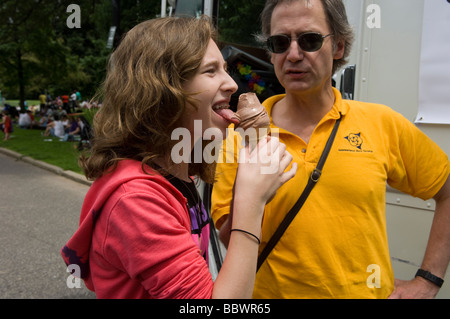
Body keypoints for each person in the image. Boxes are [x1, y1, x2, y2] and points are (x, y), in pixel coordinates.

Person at [211, 0, 450, 299]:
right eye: (280, 42)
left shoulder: (382, 123)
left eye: (309, 40)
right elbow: (228, 240)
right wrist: (254, 192)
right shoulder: (239, 140)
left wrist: (428, 280)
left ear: (338, 46)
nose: (293, 54)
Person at [60, 16, 296, 299]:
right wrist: (250, 202)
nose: (232, 84)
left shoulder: (179, 175)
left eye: (225, 69)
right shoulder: (135, 201)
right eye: (211, 70)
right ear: (163, 90)